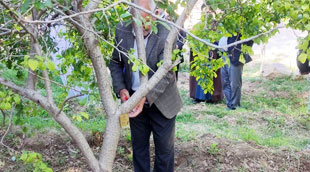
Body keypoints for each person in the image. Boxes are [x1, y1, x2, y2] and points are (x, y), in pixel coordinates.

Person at [108, 0, 182, 171]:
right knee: (139, 149)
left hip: (163, 103)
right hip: (134, 100)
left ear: (155, 16)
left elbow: (167, 73)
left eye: (146, 19)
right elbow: (115, 62)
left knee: (164, 152)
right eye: (137, 20)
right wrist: (122, 89)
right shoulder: (122, 29)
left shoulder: (167, 33)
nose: (141, 25)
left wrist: (145, 96)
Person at [219, 35, 254, 110]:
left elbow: (250, 40)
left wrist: (240, 52)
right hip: (223, 56)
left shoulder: (240, 25)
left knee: (235, 83)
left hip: (235, 57)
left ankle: (234, 105)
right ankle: (229, 104)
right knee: (225, 82)